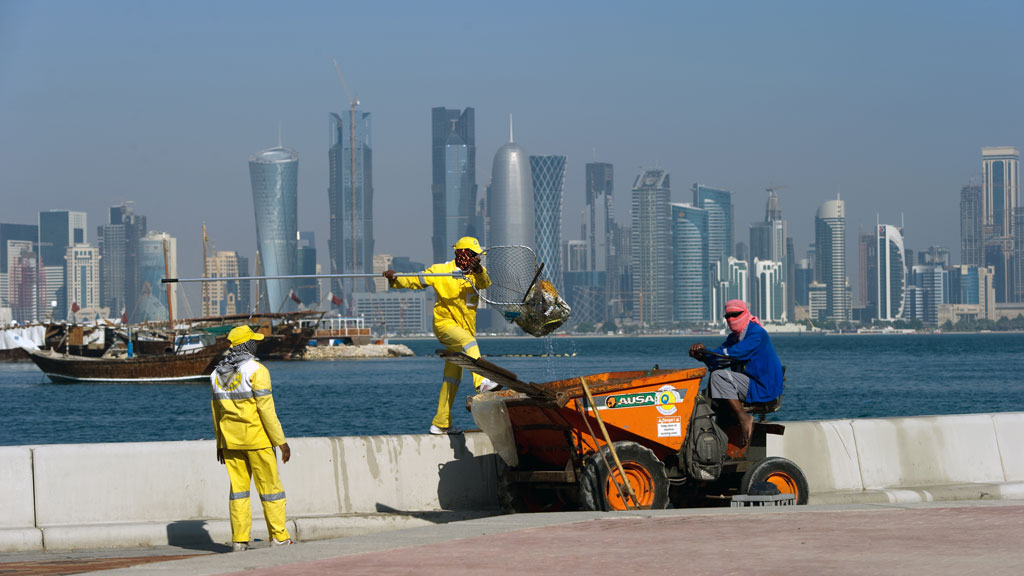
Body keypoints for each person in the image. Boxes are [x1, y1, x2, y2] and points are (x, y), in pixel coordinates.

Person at [383, 236, 501, 435]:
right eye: (472, 255)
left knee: (452, 377)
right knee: (468, 342)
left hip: (464, 329)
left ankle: (441, 422)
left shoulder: (475, 274)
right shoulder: (440, 271)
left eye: (476, 257)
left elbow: (485, 283)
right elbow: (416, 279)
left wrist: (478, 270)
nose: (474, 259)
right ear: (462, 253)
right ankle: (481, 383)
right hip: (445, 325)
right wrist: (395, 278)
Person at [210, 325, 295, 552]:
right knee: (271, 489)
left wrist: (220, 443)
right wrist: (281, 441)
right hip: (258, 440)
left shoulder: (216, 373)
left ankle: (239, 540)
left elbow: (216, 412)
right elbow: (266, 410)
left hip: (230, 442)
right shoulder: (257, 370)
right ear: (246, 344)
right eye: (253, 341)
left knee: (238, 492)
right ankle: (278, 537)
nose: (256, 344)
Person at [688, 299, 783, 447]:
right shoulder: (734, 337)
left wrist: (708, 353)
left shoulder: (756, 334)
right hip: (749, 384)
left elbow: (733, 354)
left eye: (735, 314)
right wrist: (702, 355)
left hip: (762, 386)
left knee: (718, 376)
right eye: (727, 316)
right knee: (707, 392)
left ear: (745, 313)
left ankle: (743, 417)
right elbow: (718, 359)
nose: (731, 319)